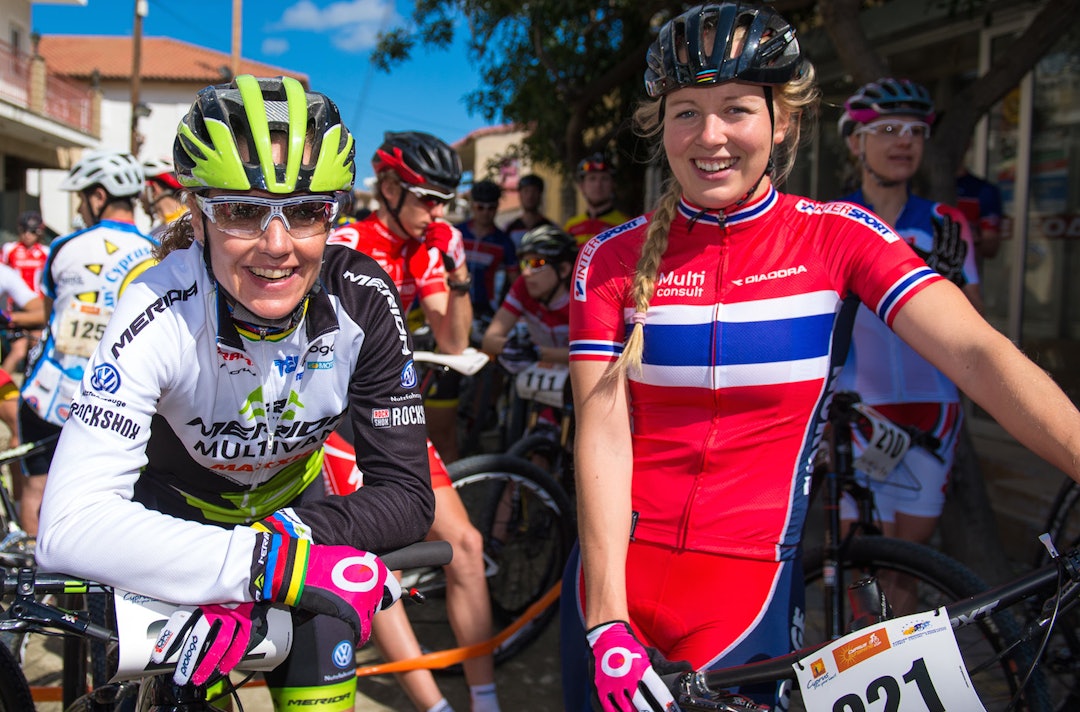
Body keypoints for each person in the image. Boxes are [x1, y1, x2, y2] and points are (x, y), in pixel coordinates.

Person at [561, 4, 1080, 712]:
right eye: (686, 113)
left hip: (744, 596)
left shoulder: (838, 238)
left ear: (783, 122)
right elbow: (602, 433)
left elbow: (979, 353)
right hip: (607, 589)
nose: (710, 136)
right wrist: (606, 619)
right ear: (661, 126)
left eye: (737, 109)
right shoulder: (609, 258)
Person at [35, 75, 434, 709]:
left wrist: (275, 552)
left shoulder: (362, 298)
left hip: (302, 525)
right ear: (197, 216)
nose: (277, 246)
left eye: (305, 211)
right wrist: (257, 566)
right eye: (242, 211)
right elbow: (68, 525)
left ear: (332, 216)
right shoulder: (158, 305)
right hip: (171, 533)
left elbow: (408, 496)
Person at [327, 131, 501, 712]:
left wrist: (457, 272)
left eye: (445, 201)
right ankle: (435, 706)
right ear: (390, 187)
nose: (438, 212)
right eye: (427, 198)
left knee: (465, 545)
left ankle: (485, 699)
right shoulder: (347, 241)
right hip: (332, 419)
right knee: (373, 570)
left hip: (390, 412)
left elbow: (452, 339)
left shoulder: (429, 247)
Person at [835, 78, 982, 557]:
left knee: (911, 562)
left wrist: (944, 288)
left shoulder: (945, 223)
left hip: (933, 409)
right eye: (888, 130)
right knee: (863, 562)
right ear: (856, 143)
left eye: (916, 131)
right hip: (859, 408)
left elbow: (976, 327)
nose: (904, 141)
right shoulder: (833, 220)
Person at [18, 149, 157, 537]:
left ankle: (34, 572)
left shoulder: (65, 246)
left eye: (81, 198)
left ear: (98, 196)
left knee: (37, 493)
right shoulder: (156, 252)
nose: (80, 207)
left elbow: (49, 315)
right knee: (113, 506)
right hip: (119, 401)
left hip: (52, 394)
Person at [481, 224, 573, 368]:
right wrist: (511, 346)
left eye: (537, 263)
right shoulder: (524, 286)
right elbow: (489, 340)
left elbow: (590, 353)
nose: (526, 273)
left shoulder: (582, 298)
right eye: (524, 264)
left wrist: (538, 353)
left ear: (563, 269)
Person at [458, 179, 517, 319]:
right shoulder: (457, 234)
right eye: (480, 207)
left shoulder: (504, 242)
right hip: (455, 304)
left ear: (497, 207)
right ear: (472, 206)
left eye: (491, 208)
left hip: (488, 311)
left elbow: (515, 282)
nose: (485, 213)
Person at [1, 210, 49, 374]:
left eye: (33, 231)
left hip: (36, 305)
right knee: (19, 351)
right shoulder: (10, 249)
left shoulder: (45, 252)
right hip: (15, 307)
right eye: (24, 230)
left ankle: (30, 384)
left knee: (37, 347)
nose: (28, 235)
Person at [563, 153, 629, 247]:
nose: (598, 185)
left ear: (613, 185)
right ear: (582, 186)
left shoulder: (626, 225)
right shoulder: (570, 227)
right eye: (592, 179)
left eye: (604, 179)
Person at [956, 163, 1004, 261]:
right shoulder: (924, 188)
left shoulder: (984, 190)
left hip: (963, 267)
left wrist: (969, 238)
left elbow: (991, 248)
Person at [141, 157, 190, 239]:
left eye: (143, 189)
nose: (139, 197)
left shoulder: (153, 237)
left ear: (153, 189)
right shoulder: (197, 221)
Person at [503, 174, 553, 249]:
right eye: (526, 191)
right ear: (520, 195)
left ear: (540, 195)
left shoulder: (550, 228)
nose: (530, 196)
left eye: (534, 191)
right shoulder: (509, 228)